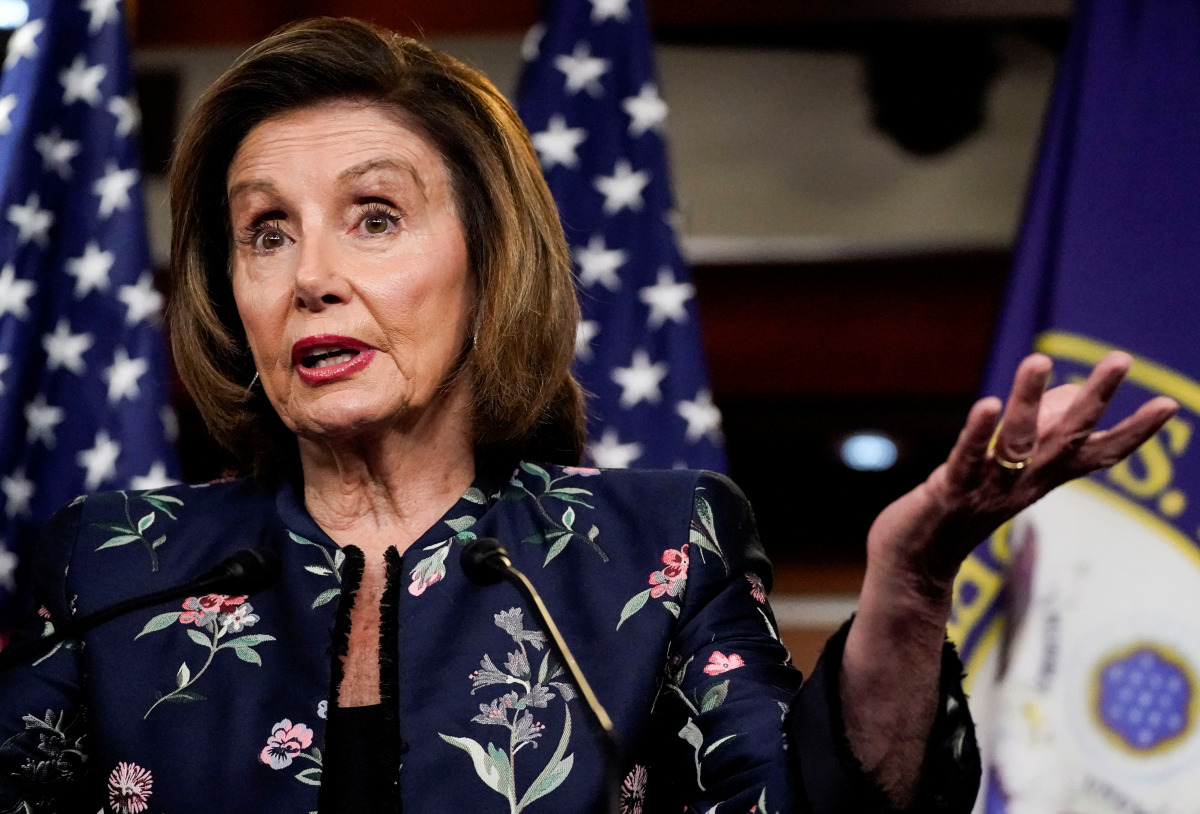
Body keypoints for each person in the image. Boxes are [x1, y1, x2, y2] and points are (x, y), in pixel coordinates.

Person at [0, 17, 1177, 814]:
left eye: (373, 217)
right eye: (266, 231)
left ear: (487, 261)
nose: (311, 273)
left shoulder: (654, 558)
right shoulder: (113, 569)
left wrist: (908, 586)